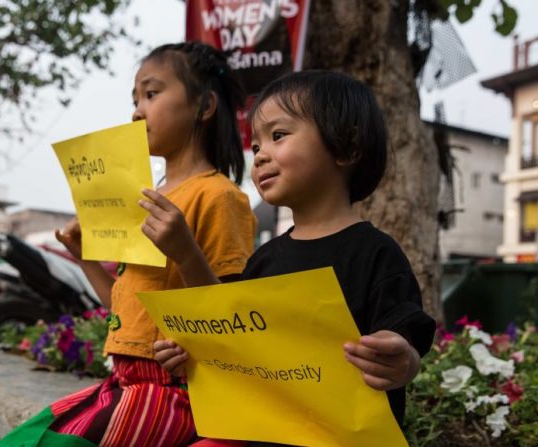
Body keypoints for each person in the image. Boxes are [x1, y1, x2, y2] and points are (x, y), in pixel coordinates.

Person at [151, 71, 436, 446]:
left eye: (278, 135)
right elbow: (239, 348)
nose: (261, 155)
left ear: (347, 147)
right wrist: (192, 352)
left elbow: (404, 336)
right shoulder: (264, 260)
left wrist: (401, 361)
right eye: (255, 148)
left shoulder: (377, 253)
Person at [0, 41, 257, 446]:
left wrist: (186, 253)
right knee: (23, 440)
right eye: (135, 98)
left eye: (152, 94)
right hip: (123, 383)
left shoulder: (219, 197)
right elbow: (124, 308)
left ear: (204, 107)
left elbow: (232, 318)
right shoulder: (147, 198)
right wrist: (84, 261)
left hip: (174, 391)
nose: (137, 111)